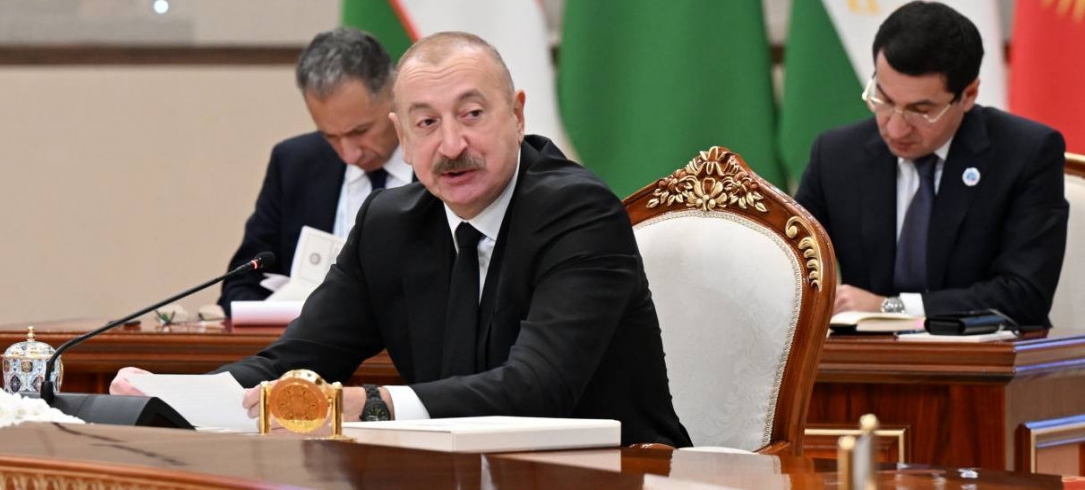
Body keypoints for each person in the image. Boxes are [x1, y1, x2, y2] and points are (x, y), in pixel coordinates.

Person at [116, 31, 690, 447]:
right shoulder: (389, 223)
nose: (451, 145)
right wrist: (175, 396)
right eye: (426, 124)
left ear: (517, 116)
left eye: (472, 114)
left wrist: (370, 404)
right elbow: (297, 358)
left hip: (617, 473)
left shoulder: (578, 211)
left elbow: (537, 388)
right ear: (404, 138)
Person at [794, 1, 1068, 327]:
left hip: (976, 354)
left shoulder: (1025, 153)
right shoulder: (836, 155)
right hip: (863, 355)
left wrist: (891, 307)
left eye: (921, 111)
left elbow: (1024, 296)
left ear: (968, 95)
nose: (896, 129)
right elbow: (787, 262)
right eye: (884, 100)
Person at [217, 27, 410, 314]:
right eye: (330, 136)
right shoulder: (294, 164)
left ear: (393, 92)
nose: (349, 154)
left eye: (360, 131)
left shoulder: (439, 163)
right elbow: (241, 285)